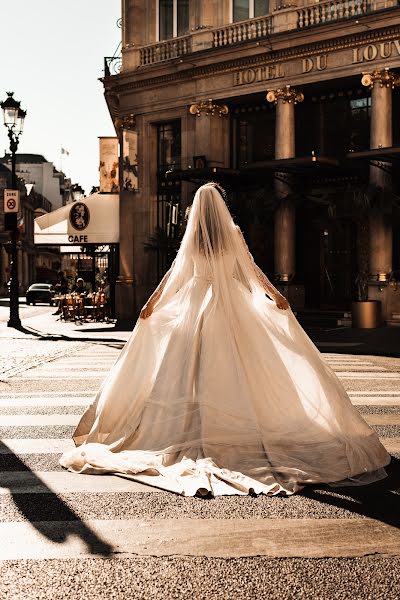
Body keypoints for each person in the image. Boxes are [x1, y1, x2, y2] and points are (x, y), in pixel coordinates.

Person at [60, 183, 390, 497]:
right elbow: (251, 270)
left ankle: (197, 425)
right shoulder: (233, 234)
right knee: (239, 366)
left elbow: (175, 276)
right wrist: (274, 295)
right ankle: (238, 424)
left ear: (198, 212)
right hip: (232, 306)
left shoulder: (194, 241)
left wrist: (152, 303)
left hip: (196, 306)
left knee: (190, 370)